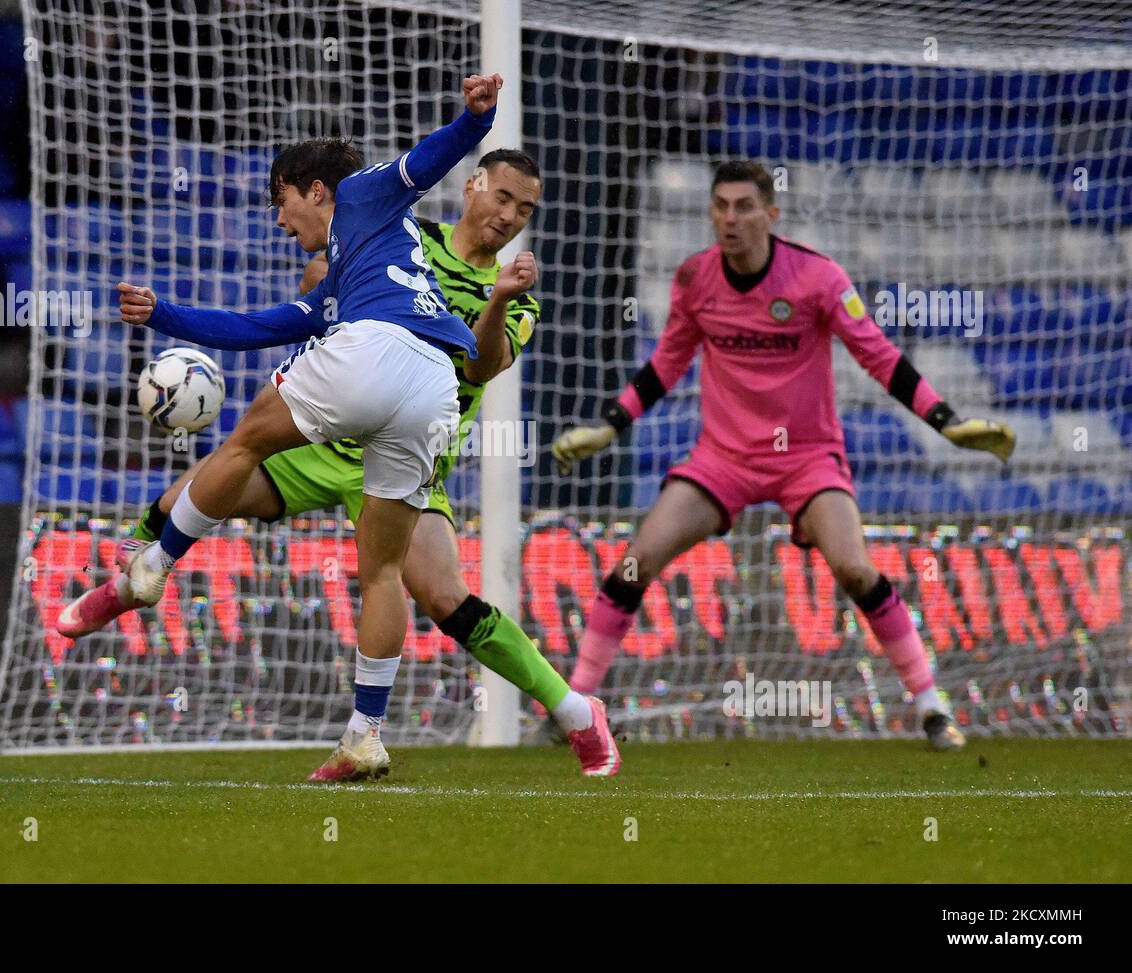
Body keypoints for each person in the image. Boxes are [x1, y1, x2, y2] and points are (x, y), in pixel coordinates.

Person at [60, 75, 516, 781]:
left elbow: (424, 161)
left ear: (314, 190)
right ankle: (364, 734)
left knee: (244, 442)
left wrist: (474, 122)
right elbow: (259, 326)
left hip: (377, 351)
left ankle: (150, 565)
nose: (280, 221)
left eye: (281, 202)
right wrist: (163, 315)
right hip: (436, 391)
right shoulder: (352, 273)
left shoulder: (363, 190)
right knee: (383, 569)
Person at [119, 148, 620, 777]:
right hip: (330, 441)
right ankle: (122, 575)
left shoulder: (519, 295)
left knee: (445, 598)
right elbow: (322, 285)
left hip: (411, 444)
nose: (510, 216)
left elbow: (483, 366)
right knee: (189, 492)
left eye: (525, 209)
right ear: (472, 187)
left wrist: (496, 300)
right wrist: (321, 288)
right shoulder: (408, 235)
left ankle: (575, 712)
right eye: (503, 197)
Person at [553, 160, 1017, 751]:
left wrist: (945, 421)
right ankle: (576, 705)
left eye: (744, 207)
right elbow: (667, 361)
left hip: (807, 457)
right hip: (723, 458)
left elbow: (877, 355)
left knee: (854, 567)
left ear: (771, 214)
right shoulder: (695, 278)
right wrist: (612, 425)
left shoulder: (817, 278)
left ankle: (931, 707)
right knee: (634, 562)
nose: (730, 218)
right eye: (720, 206)